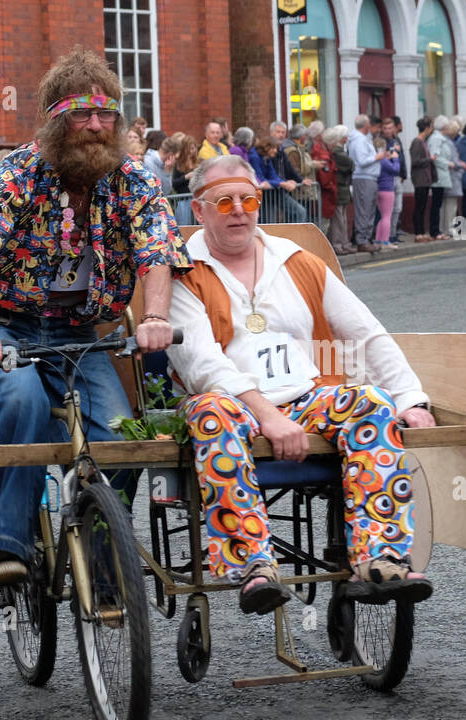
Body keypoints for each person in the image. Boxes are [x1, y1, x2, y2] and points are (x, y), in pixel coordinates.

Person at [0, 47, 191, 584]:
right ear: (56, 118)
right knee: (22, 399)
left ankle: (106, 562)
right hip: (11, 323)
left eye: (106, 114)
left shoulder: (133, 178)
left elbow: (157, 252)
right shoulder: (19, 170)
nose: (96, 125)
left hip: (82, 330)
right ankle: (9, 542)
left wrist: (154, 317)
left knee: (120, 434)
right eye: (82, 114)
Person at [165, 154, 434, 613]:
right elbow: (203, 365)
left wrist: (411, 398)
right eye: (224, 200)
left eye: (248, 199)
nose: (239, 210)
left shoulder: (297, 261)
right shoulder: (181, 271)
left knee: (371, 402)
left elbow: (366, 333)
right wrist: (267, 417)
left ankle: (379, 557)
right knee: (211, 411)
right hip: (231, 407)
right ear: (198, 209)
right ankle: (254, 566)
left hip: (305, 399)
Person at [348, 114, 387, 252]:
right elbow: (362, 161)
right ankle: (362, 240)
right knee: (364, 210)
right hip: (363, 177)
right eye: (369, 123)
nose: (371, 126)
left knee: (369, 210)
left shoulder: (364, 139)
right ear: (365, 125)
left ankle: (367, 239)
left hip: (369, 177)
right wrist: (378, 156)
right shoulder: (359, 140)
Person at [322, 125, 354, 255]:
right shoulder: (337, 152)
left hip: (340, 187)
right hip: (337, 188)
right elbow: (351, 164)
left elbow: (351, 164)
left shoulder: (337, 151)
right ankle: (338, 244)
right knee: (338, 218)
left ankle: (344, 243)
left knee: (342, 217)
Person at [427, 115, 457, 240]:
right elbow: (435, 157)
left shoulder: (439, 138)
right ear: (445, 127)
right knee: (436, 204)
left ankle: (437, 230)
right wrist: (448, 163)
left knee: (438, 204)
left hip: (441, 175)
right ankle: (435, 231)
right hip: (438, 176)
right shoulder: (436, 139)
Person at [407, 117, 435, 243]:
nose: (432, 129)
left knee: (423, 206)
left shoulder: (423, 141)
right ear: (427, 128)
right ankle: (418, 233)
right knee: (419, 206)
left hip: (425, 179)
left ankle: (422, 232)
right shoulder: (417, 142)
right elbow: (416, 161)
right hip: (420, 179)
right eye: (431, 126)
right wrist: (430, 159)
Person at [372, 136, 401, 249]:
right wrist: (396, 158)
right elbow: (395, 170)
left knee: (382, 217)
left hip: (379, 189)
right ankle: (385, 241)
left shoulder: (378, 159)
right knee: (387, 216)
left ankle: (378, 240)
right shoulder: (384, 161)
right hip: (387, 189)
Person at [383, 116, 407, 244]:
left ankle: (393, 234)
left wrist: (403, 174)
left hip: (397, 176)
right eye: (385, 128)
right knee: (389, 209)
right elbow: (384, 157)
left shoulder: (396, 140)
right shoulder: (382, 142)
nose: (387, 130)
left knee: (398, 207)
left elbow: (401, 157)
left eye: (390, 128)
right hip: (387, 177)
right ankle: (387, 236)